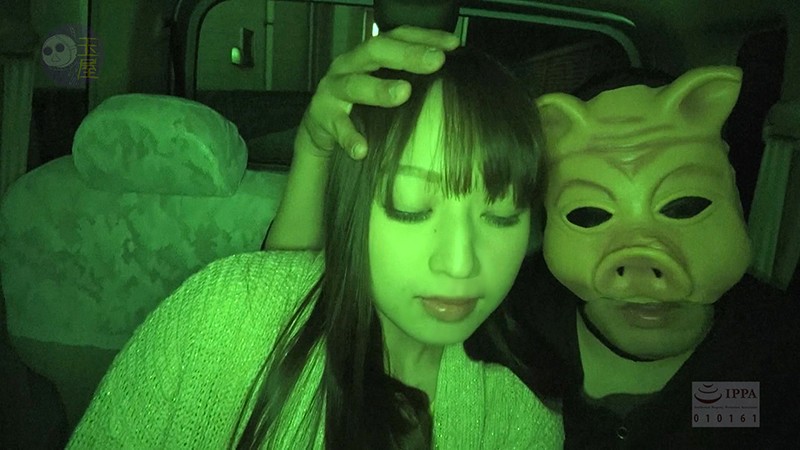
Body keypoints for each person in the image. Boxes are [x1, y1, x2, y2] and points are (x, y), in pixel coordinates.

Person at [270, 26, 800, 449]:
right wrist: (314, 152)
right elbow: (286, 312)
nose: (642, 264)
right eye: (590, 213)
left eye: (684, 206)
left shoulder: (776, 352)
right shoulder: (506, 319)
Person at [66, 43, 564, 449]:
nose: (460, 263)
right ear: (350, 203)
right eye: (411, 205)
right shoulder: (221, 318)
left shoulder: (522, 418)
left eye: (502, 214)